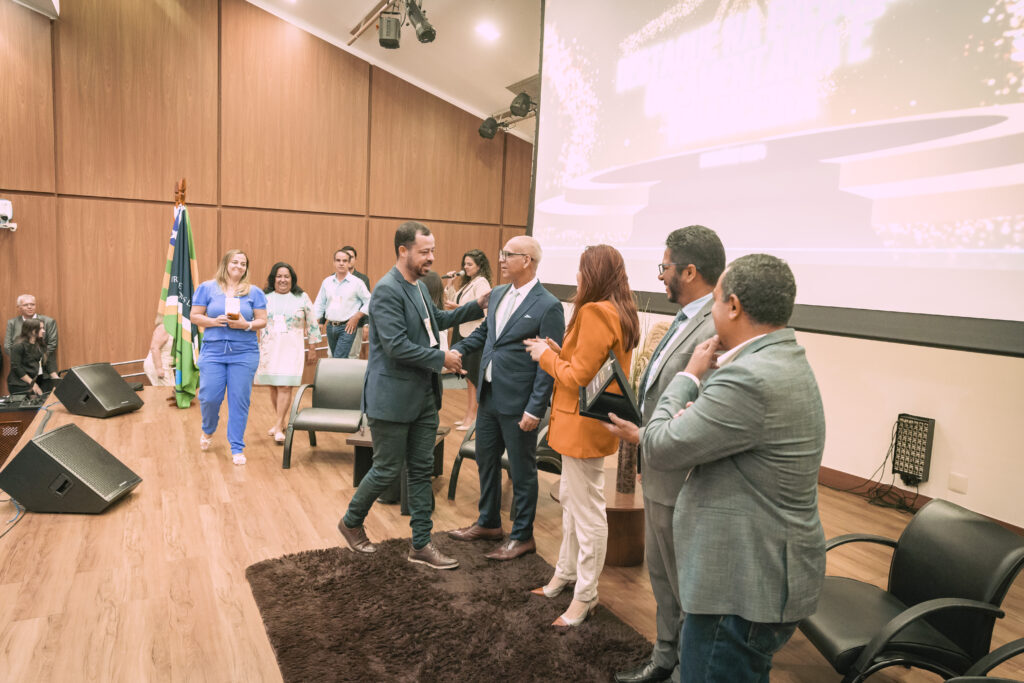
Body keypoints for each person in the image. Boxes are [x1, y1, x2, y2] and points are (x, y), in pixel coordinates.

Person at [607, 254, 827, 682]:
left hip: (740, 586)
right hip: (763, 571)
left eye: (715, 301)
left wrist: (689, 376)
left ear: (734, 306)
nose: (711, 311)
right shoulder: (783, 359)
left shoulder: (748, 377)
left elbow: (660, 445)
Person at [337, 221, 488, 570]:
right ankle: (351, 521)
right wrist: (442, 358)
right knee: (386, 468)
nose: (431, 257)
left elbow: (436, 320)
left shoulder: (417, 287)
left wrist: (477, 305)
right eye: (424, 251)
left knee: (420, 470)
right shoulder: (387, 290)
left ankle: (421, 544)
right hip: (391, 397)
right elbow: (395, 346)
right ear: (403, 250)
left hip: (423, 396)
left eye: (432, 250)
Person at [613, 226, 725, 683]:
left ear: (690, 271)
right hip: (658, 464)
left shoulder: (716, 326)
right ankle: (663, 658)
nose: (660, 276)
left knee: (682, 583)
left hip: (684, 475)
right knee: (661, 575)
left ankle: (683, 668)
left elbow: (705, 406)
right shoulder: (681, 319)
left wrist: (649, 438)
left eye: (665, 267)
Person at [523, 244, 639, 627]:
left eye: (580, 269)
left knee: (587, 514)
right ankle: (565, 574)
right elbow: (587, 365)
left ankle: (586, 595)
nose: (576, 275)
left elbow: (577, 377)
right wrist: (558, 351)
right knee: (573, 504)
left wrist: (544, 356)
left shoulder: (594, 311)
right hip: (586, 426)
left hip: (581, 427)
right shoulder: (617, 310)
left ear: (593, 274)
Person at [447, 237, 565, 561]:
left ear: (527, 260)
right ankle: (488, 523)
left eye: (508, 254)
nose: (501, 259)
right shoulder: (498, 293)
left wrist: (535, 408)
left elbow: (549, 364)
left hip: (519, 402)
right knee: (486, 461)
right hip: (489, 396)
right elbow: (487, 334)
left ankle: (523, 536)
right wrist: (458, 349)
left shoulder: (548, 305)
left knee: (522, 470)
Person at [190, 249, 268, 465]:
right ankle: (208, 429)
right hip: (213, 352)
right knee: (209, 397)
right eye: (235, 262)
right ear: (225, 264)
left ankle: (237, 446)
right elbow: (194, 316)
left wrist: (246, 325)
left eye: (243, 264)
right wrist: (213, 321)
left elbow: (262, 321)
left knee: (239, 400)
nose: (239, 266)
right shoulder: (207, 288)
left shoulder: (254, 292)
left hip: (244, 353)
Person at [255, 262, 320, 444]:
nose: (282, 280)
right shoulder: (264, 297)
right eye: (279, 276)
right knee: (274, 385)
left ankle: (278, 426)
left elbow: (312, 323)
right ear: (273, 279)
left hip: (292, 349)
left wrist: (312, 348)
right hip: (269, 348)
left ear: (292, 279)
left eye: (286, 276)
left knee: (285, 385)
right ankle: (281, 421)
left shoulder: (302, 297)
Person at [443, 249, 493, 429]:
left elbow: (483, 311)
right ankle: (469, 416)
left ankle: (472, 418)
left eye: (469, 264)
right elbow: (453, 301)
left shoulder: (482, 283)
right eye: (464, 264)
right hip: (462, 331)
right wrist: (450, 283)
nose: (465, 267)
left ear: (480, 266)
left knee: (473, 378)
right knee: (468, 378)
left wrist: (458, 307)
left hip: (473, 334)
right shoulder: (469, 283)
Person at [313, 249, 370, 359]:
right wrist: (314, 322)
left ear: (349, 263)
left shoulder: (357, 282)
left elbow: (370, 301)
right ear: (334, 262)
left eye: (344, 261)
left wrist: (357, 317)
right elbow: (320, 303)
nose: (341, 263)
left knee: (339, 358)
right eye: (338, 260)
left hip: (347, 327)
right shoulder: (327, 282)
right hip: (331, 327)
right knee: (335, 358)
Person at [7, 318, 58, 395]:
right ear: (32, 331)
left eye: (43, 328)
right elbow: (16, 367)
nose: (43, 331)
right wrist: (32, 383)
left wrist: (57, 380)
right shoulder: (18, 345)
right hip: (20, 384)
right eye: (41, 328)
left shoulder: (40, 343)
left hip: (35, 380)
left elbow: (49, 363)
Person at [5, 294, 59, 362]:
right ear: (19, 307)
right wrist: (17, 359)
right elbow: (7, 346)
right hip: (19, 364)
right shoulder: (12, 323)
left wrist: (34, 360)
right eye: (25, 305)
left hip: (41, 363)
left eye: (32, 304)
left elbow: (52, 344)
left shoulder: (48, 322)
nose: (29, 307)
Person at [340, 245, 371, 359]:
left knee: (352, 357)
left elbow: (367, 302)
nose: (348, 260)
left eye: (351, 257)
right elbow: (329, 301)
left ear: (355, 259)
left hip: (356, 325)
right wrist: (321, 321)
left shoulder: (362, 279)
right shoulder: (334, 278)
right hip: (336, 325)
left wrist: (366, 324)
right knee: (333, 357)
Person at [143, 314, 174, 387]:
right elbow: (154, 348)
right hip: (158, 364)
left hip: (166, 365)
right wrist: (159, 368)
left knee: (171, 390)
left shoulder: (171, 328)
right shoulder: (163, 328)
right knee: (166, 392)